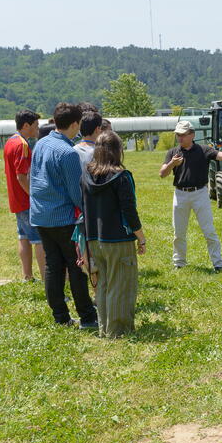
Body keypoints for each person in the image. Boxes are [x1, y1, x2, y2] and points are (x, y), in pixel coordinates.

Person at [29, 102, 98, 328]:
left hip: (41, 216)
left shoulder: (41, 143)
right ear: (76, 124)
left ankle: (60, 317)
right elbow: (76, 191)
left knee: (53, 266)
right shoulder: (68, 153)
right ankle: (87, 317)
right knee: (77, 267)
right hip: (64, 219)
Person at [81, 131, 145, 337]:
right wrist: (141, 237)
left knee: (104, 285)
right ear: (118, 150)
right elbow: (129, 210)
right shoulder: (122, 177)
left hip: (94, 239)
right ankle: (118, 331)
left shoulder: (86, 176)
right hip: (118, 239)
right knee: (121, 284)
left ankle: (104, 328)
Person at [159, 120, 222, 272]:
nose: (180, 138)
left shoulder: (204, 150)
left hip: (200, 194)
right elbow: (162, 174)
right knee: (179, 232)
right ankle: (179, 263)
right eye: (178, 135)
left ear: (192, 135)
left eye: (183, 135)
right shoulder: (173, 153)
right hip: (180, 194)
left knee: (209, 231)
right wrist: (172, 165)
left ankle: (218, 264)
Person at [4, 109, 45, 282]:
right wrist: (33, 196)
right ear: (26, 125)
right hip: (26, 200)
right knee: (39, 240)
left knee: (24, 237)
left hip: (16, 200)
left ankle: (28, 276)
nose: (38, 129)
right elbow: (21, 176)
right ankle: (46, 278)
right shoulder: (23, 145)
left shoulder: (10, 141)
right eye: (35, 125)